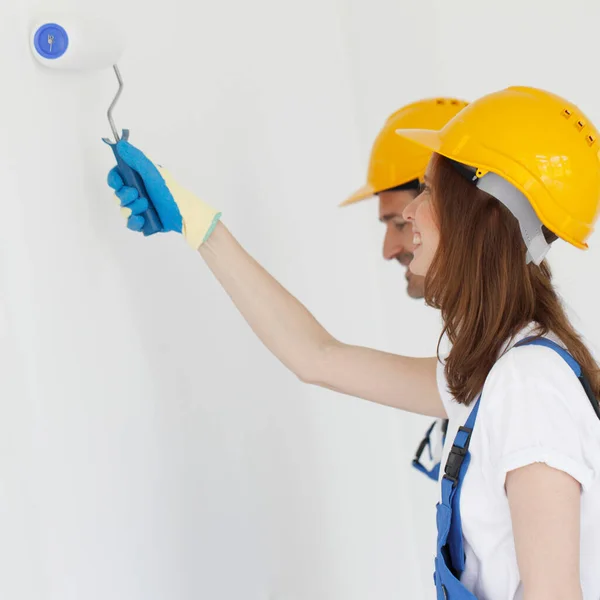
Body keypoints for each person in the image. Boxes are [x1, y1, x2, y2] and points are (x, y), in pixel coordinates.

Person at [107, 85, 600, 599]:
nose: (410, 213)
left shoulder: (528, 389)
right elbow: (316, 357)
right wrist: (198, 225)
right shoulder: (492, 372)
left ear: (481, 213)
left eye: (429, 190)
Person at [342, 97, 468, 480]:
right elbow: (317, 358)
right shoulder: (474, 370)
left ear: (456, 212)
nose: (389, 250)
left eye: (399, 222)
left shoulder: (520, 376)